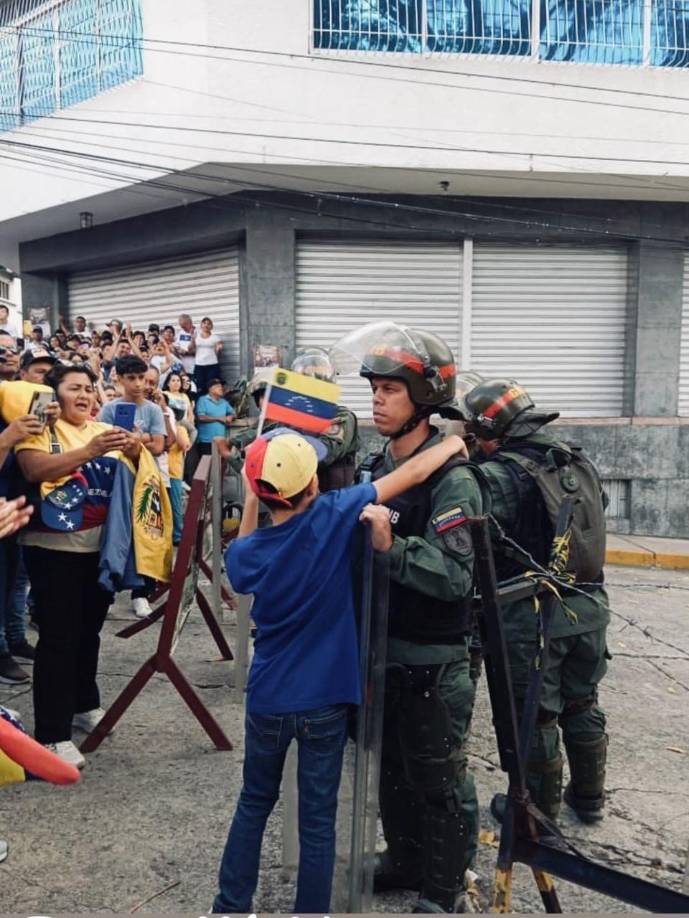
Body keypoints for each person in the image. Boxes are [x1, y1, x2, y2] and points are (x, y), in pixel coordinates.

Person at [213, 427, 469, 915]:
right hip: (324, 702)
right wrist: (452, 445)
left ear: (260, 492)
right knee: (317, 820)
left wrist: (250, 500)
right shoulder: (333, 514)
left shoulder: (244, 555)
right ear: (313, 484)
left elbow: (243, 560)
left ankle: (230, 906)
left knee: (253, 803)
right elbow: (412, 474)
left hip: (268, 700)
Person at [352, 323, 482, 913]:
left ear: (424, 399)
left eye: (390, 390)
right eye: (374, 389)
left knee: (439, 779)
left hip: (433, 659)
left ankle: (445, 883)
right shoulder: (380, 464)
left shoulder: (453, 479)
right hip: (383, 648)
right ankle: (405, 859)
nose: (377, 401)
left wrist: (392, 547)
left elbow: (455, 575)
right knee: (392, 772)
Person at [460, 378, 611, 825]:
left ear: (487, 432)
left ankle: (536, 815)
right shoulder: (573, 458)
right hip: (589, 602)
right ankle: (589, 797)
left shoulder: (500, 474)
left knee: (536, 716)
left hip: (533, 614)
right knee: (582, 702)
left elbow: (468, 524)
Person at [15, 363, 140, 768]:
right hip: (53, 551)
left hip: (99, 552)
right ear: (54, 394)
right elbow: (34, 470)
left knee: (89, 634)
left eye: (89, 388)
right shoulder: (39, 429)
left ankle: (84, 704)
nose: (84, 395)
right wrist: (90, 451)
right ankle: (51, 735)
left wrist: (134, 450)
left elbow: (135, 472)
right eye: (74, 388)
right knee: (59, 638)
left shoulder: (102, 429)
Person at [98, 356, 166, 619]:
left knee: (146, 535)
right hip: (116, 480)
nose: (138, 384)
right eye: (132, 378)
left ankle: (142, 593)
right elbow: (100, 443)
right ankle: (107, 593)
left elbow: (159, 446)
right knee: (116, 533)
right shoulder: (109, 409)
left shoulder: (153, 410)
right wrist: (129, 439)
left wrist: (139, 438)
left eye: (142, 378)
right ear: (120, 379)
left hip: (147, 481)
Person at [195, 379, 233, 456]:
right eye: (218, 386)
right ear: (211, 389)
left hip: (221, 441)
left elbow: (233, 413)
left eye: (221, 386)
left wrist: (230, 417)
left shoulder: (224, 402)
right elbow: (201, 417)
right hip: (206, 441)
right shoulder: (203, 400)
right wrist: (218, 418)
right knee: (206, 461)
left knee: (221, 463)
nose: (221, 388)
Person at [193, 317, 222, 395]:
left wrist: (219, 349)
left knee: (212, 386)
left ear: (211, 327)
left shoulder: (215, 338)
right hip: (199, 365)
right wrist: (192, 339)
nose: (206, 325)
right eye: (204, 323)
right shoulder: (196, 337)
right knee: (200, 386)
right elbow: (191, 349)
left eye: (208, 324)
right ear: (201, 325)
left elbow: (219, 353)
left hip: (212, 365)